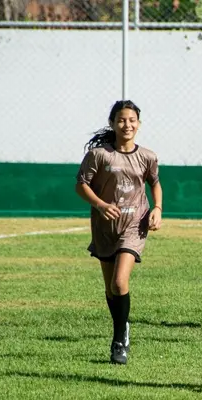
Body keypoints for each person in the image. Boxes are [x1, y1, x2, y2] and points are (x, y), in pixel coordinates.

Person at [75, 100, 163, 365]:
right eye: (122, 120)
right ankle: (122, 325)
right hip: (105, 227)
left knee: (119, 282)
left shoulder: (147, 156)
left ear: (139, 124)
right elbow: (81, 185)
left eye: (132, 120)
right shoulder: (99, 155)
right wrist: (101, 205)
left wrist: (157, 208)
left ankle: (119, 339)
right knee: (110, 290)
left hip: (135, 224)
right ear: (113, 123)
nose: (127, 125)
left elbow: (155, 183)